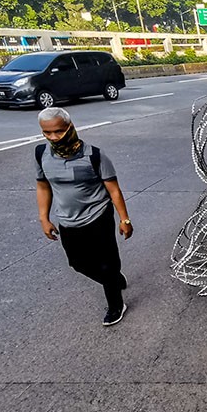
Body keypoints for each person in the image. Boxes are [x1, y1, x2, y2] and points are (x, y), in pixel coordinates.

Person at [35, 107, 133, 327]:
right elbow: (43, 186)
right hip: (68, 220)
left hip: (98, 215)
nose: (53, 137)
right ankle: (114, 280)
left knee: (107, 263)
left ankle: (116, 304)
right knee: (77, 263)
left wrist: (124, 219)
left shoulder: (94, 156)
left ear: (70, 127)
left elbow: (114, 190)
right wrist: (44, 217)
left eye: (58, 131)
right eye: (47, 132)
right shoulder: (41, 154)